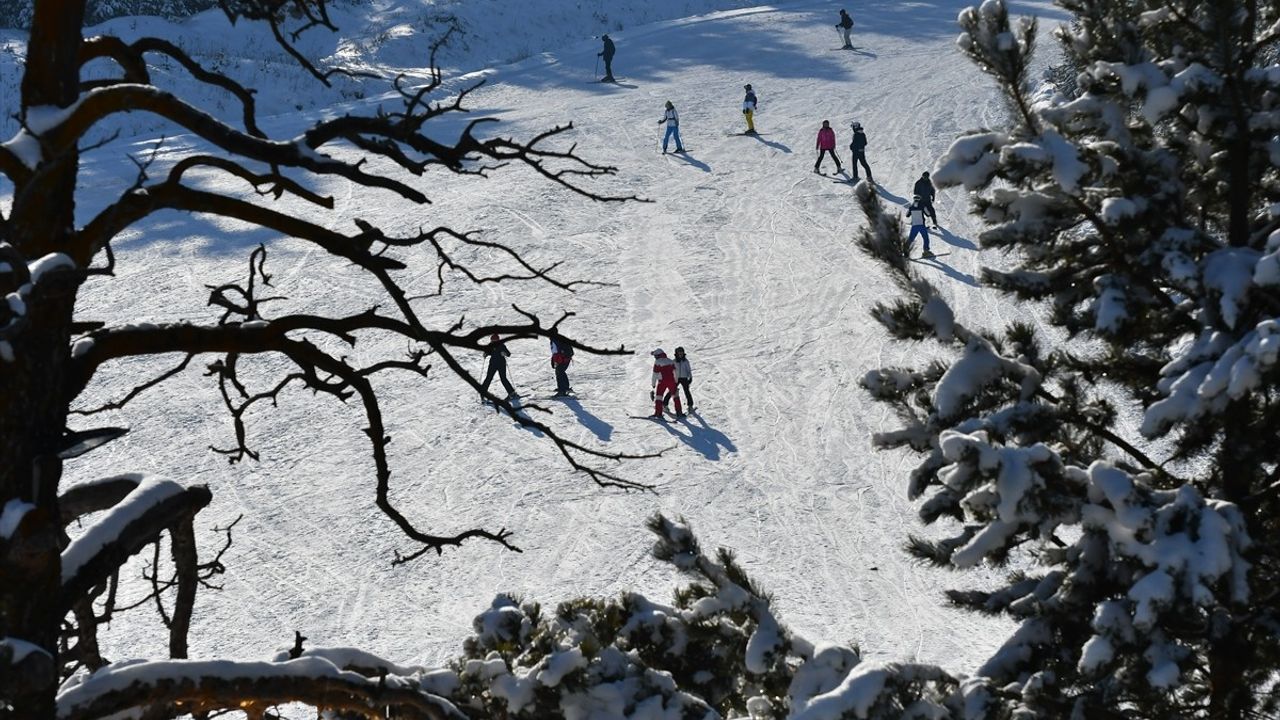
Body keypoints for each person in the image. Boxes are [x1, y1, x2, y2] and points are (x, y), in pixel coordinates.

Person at [480, 334, 518, 401]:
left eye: (494, 341)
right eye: (492, 341)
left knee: (503, 379)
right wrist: (485, 354)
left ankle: (512, 393)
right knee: (488, 378)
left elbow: (508, 354)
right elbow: (489, 351)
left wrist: (504, 353)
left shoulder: (502, 346)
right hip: (493, 364)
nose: (492, 342)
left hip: (501, 364)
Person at [651, 348, 683, 419]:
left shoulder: (657, 362)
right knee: (675, 396)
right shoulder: (670, 361)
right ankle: (679, 412)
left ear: (658, 355)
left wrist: (653, 384)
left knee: (659, 397)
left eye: (655, 356)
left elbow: (655, 374)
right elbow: (675, 372)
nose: (655, 357)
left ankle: (658, 413)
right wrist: (676, 381)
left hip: (662, 381)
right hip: (672, 381)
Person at [663, 346, 693, 412]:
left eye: (681, 353)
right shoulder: (674, 361)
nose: (680, 354)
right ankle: (664, 404)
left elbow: (688, 370)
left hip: (684, 378)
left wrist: (690, 377)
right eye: (679, 353)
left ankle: (690, 405)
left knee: (687, 391)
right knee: (672, 391)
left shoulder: (685, 361)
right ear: (676, 353)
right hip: (676, 378)